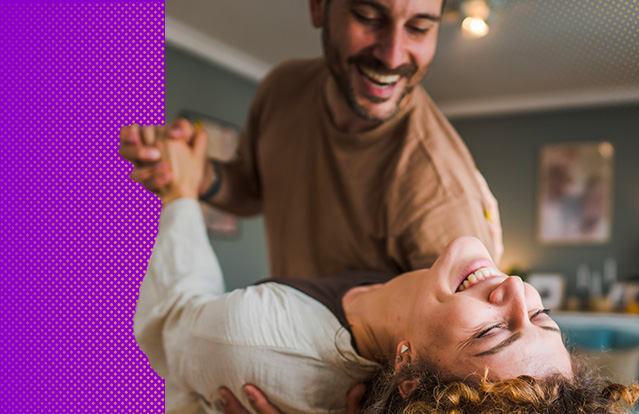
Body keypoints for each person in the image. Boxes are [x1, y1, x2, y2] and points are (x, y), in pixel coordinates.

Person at [134, 137, 639, 414]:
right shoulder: (461, 249)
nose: (515, 288)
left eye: (492, 331)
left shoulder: (256, 344)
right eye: (540, 314)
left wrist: (179, 188)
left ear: (407, 369)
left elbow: (167, 325)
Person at [119, 0, 503, 280]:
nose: (391, 55)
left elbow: (462, 367)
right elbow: (253, 187)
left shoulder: (442, 194)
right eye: (369, 17)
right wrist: (199, 174)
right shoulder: (282, 88)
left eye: (419, 27)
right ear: (319, 6)